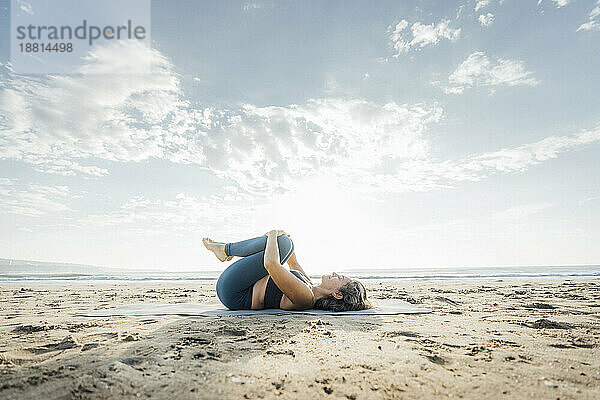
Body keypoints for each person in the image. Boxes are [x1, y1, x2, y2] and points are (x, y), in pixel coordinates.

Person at [203, 230, 372, 311]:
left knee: (282, 243)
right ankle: (224, 249)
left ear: (338, 294)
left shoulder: (306, 297)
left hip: (235, 291)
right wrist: (289, 244)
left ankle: (225, 250)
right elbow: (294, 264)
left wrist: (272, 235)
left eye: (339, 277)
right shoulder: (309, 286)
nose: (334, 273)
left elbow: (271, 264)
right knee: (286, 243)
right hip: (237, 287)